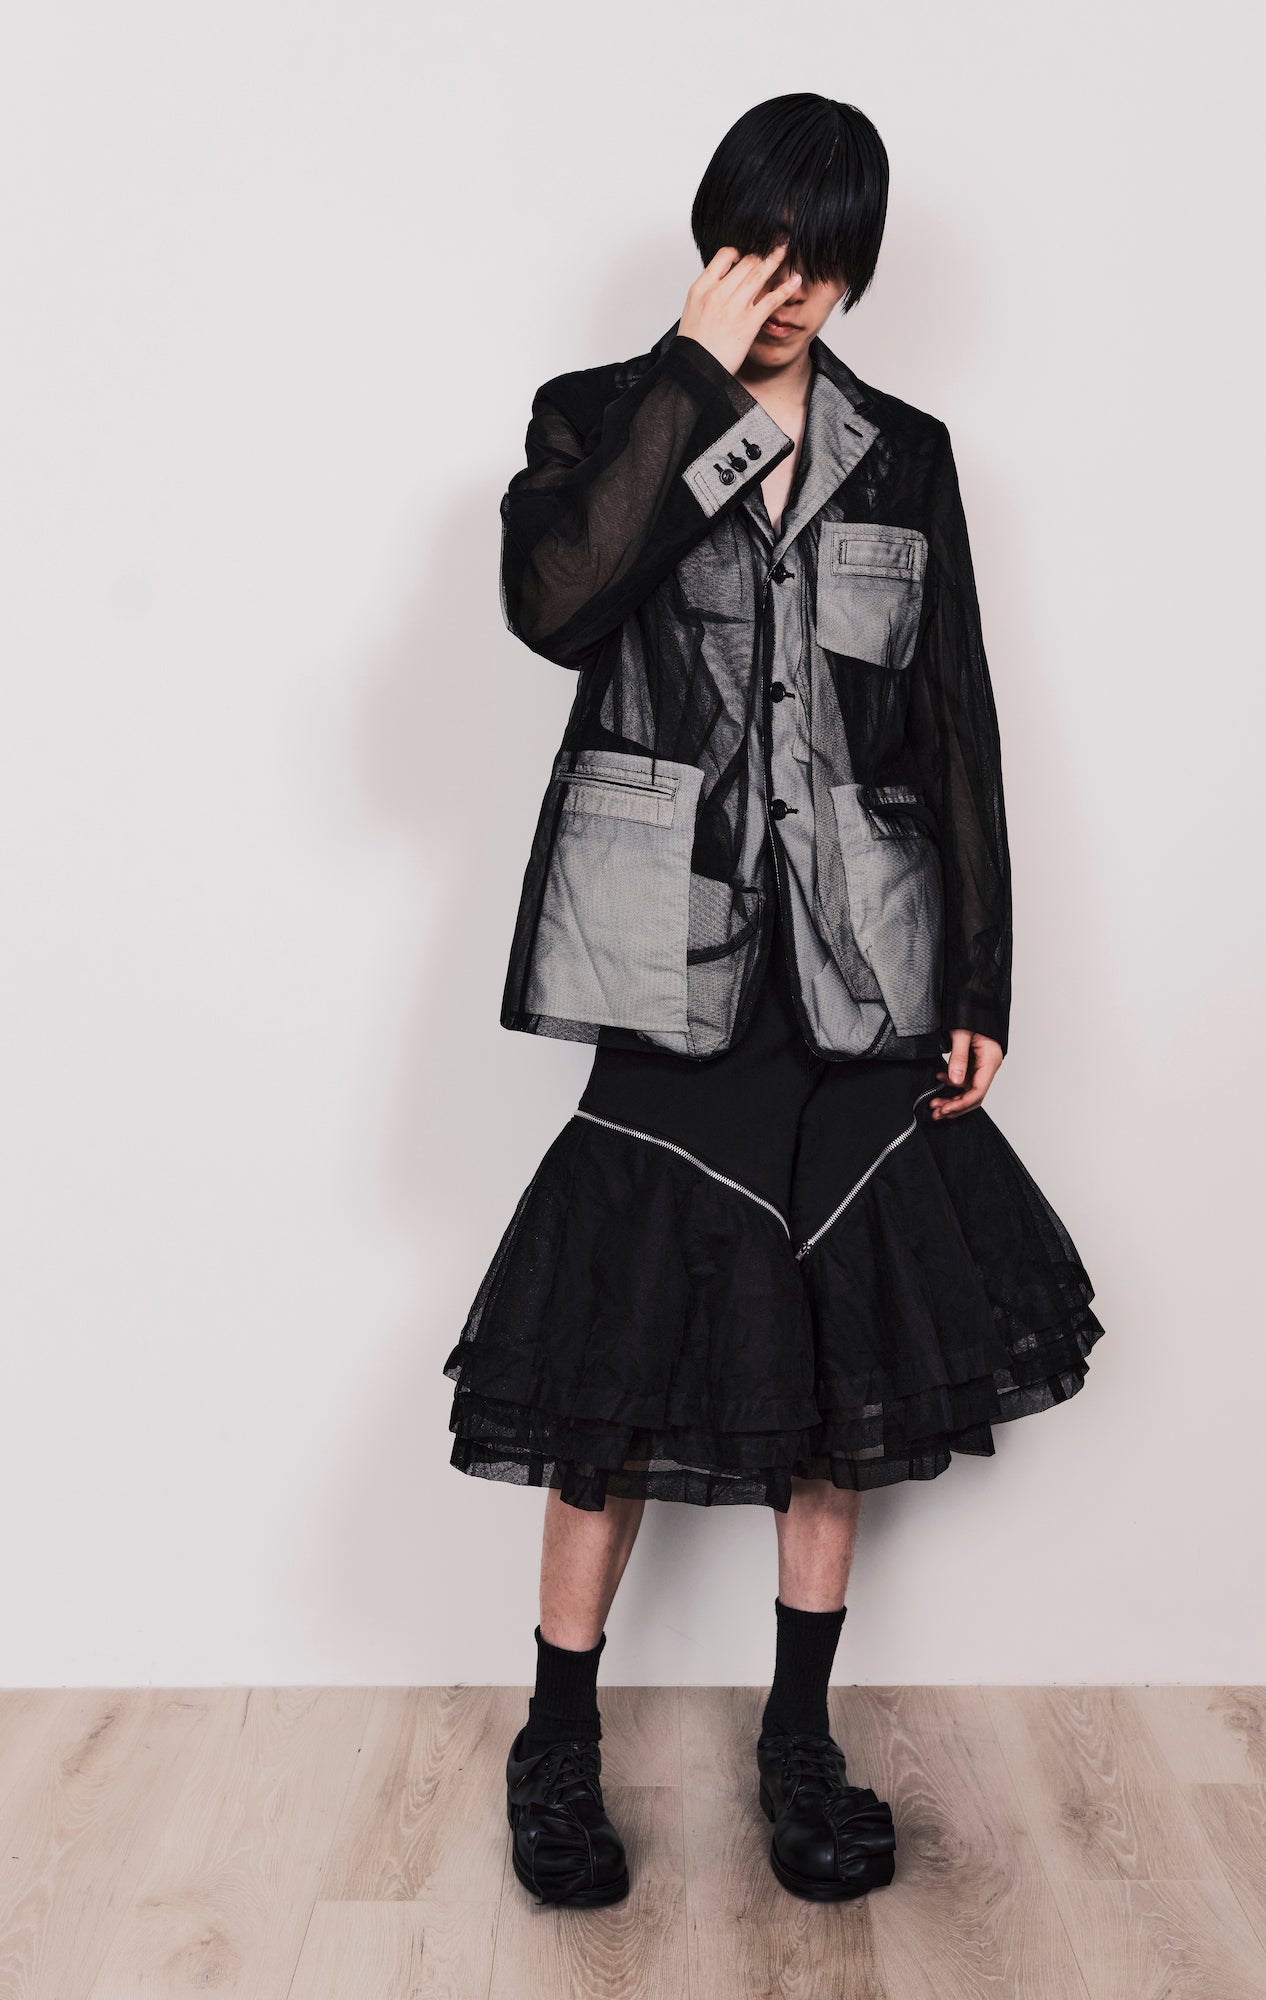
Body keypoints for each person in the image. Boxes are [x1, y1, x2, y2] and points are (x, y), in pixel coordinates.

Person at [442, 93, 1105, 1909]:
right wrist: (690, 379)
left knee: (838, 1373)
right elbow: (557, 602)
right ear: (713, 243)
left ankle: (797, 1737)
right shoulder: (601, 415)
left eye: (823, 259)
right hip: (668, 967)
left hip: (866, 965)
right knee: (608, 1363)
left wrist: (981, 972)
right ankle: (557, 1739)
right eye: (761, 250)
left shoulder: (909, 455)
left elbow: (954, 721)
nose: (792, 287)